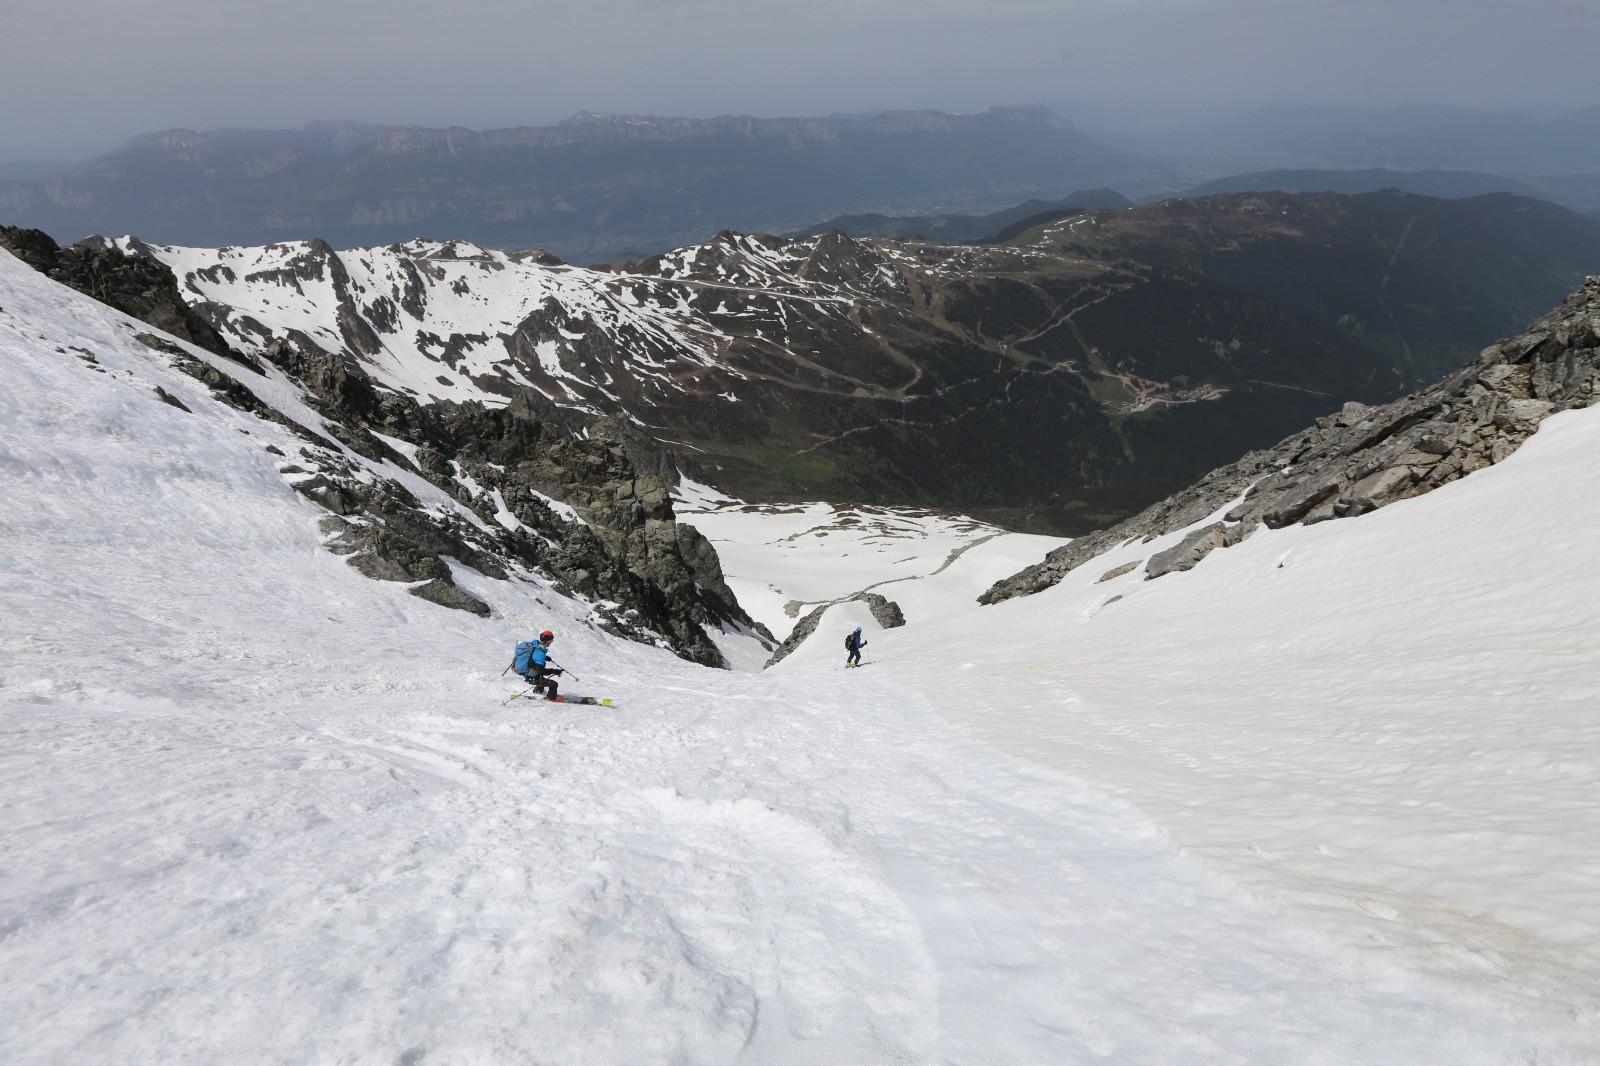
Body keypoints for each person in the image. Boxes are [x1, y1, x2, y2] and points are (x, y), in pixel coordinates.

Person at [519, 630, 564, 701]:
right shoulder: (540, 653)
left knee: (541, 679)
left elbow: (533, 657)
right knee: (554, 684)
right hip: (533, 677)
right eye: (551, 641)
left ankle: (537, 692)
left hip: (529, 675)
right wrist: (554, 671)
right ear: (548, 641)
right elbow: (540, 671)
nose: (551, 643)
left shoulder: (535, 646)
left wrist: (545, 658)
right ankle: (550, 699)